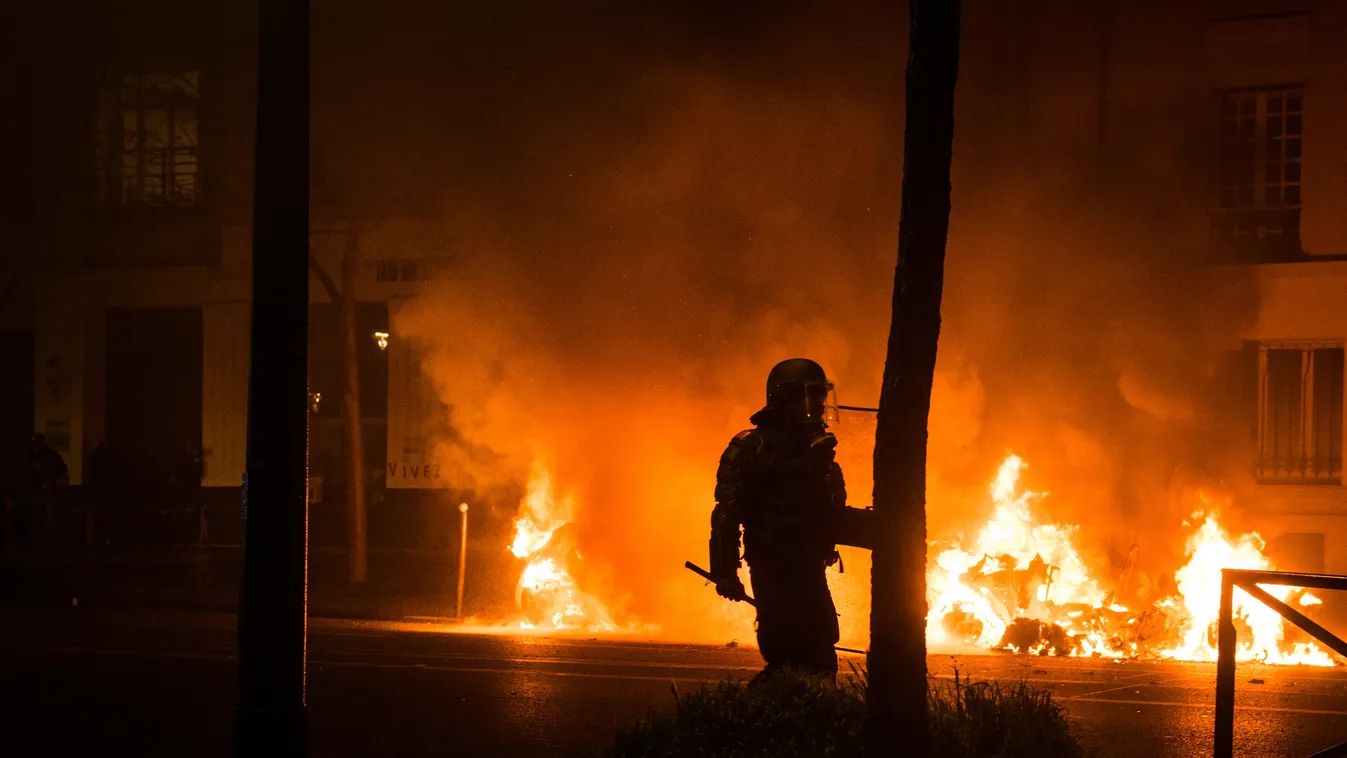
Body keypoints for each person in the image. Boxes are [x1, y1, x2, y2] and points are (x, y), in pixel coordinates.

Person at [709, 358, 846, 683]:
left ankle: (809, 728)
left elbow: (832, 512)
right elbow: (726, 513)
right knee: (785, 660)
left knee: (822, 658)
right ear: (786, 398)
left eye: (821, 395)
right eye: (811, 396)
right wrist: (725, 571)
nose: (821, 405)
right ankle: (752, 724)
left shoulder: (819, 453)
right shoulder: (751, 449)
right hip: (772, 567)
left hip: (809, 569)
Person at [26, 434, 68, 546]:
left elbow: (31, 474)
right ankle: (49, 543)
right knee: (48, 518)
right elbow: (62, 469)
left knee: (39, 517)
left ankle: (39, 543)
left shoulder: (35, 456)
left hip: (41, 489)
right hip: (47, 488)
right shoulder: (52, 455)